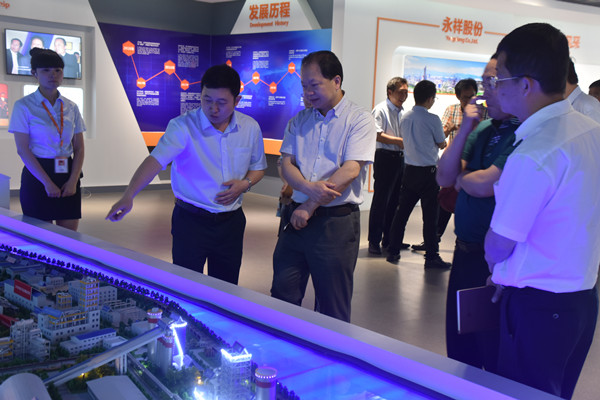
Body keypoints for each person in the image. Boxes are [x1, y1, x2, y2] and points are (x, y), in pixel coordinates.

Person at [484, 23, 600, 399]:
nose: (494, 88)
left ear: (525, 85)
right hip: (581, 300)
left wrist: (495, 266)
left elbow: (499, 244)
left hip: (537, 306)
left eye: (499, 78)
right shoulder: (591, 131)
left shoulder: (535, 154)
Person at [106, 64, 267, 285]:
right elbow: (155, 161)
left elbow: (258, 167)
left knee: (226, 287)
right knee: (185, 285)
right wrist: (129, 195)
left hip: (231, 223)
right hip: (191, 222)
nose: (213, 108)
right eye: (207, 100)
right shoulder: (183, 126)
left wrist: (245, 184)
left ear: (237, 101)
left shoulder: (250, 128)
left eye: (221, 102)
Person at [271, 50, 376, 322]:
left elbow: (351, 169)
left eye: (314, 85)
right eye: (304, 86)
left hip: (335, 224)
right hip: (295, 220)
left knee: (332, 306)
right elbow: (287, 164)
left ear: (336, 81)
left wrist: (309, 205)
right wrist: (308, 189)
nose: (308, 92)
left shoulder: (359, 119)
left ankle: (331, 350)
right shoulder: (299, 120)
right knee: (283, 292)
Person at [437, 54, 520, 371]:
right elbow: (443, 176)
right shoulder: (481, 128)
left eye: (493, 82)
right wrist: (465, 130)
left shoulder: (523, 132)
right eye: (484, 82)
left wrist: (464, 179)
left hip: (497, 259)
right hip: (465, 252)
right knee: (461, 347)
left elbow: (487, 184)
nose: (485, 91)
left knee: (492, 352)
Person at [8, 48, 85, 231]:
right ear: (34, 73)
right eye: (46, 70)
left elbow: (79, 148)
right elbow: (22, 149)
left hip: (67, 173)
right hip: (38, 174)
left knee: (69, 237)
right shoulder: (24, 106)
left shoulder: (71, 107)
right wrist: (47, 183)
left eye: (58, 70)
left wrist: (73, 180)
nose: (53, 75)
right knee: (42, 237)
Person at [386, 80, 450, 269]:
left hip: (409, 171)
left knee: (401, 213)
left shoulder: (405, 117)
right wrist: (447, 133)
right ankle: (431, 256)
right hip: (428, 173)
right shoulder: (433, 119)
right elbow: (441, 143)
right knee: (430, 217)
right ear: (430, 98)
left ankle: (393, 250)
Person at [368, 77, 410, 255]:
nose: (404, 96)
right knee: (381, 201)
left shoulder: (402, 111)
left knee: (395, 201)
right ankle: (374, 241)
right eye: (401, 92)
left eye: (406, 92)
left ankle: (389, 239)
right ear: (390, 92)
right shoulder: (380, 109)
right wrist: (399, 141)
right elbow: (376, 134)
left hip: (400, 158)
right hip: (385, 157)